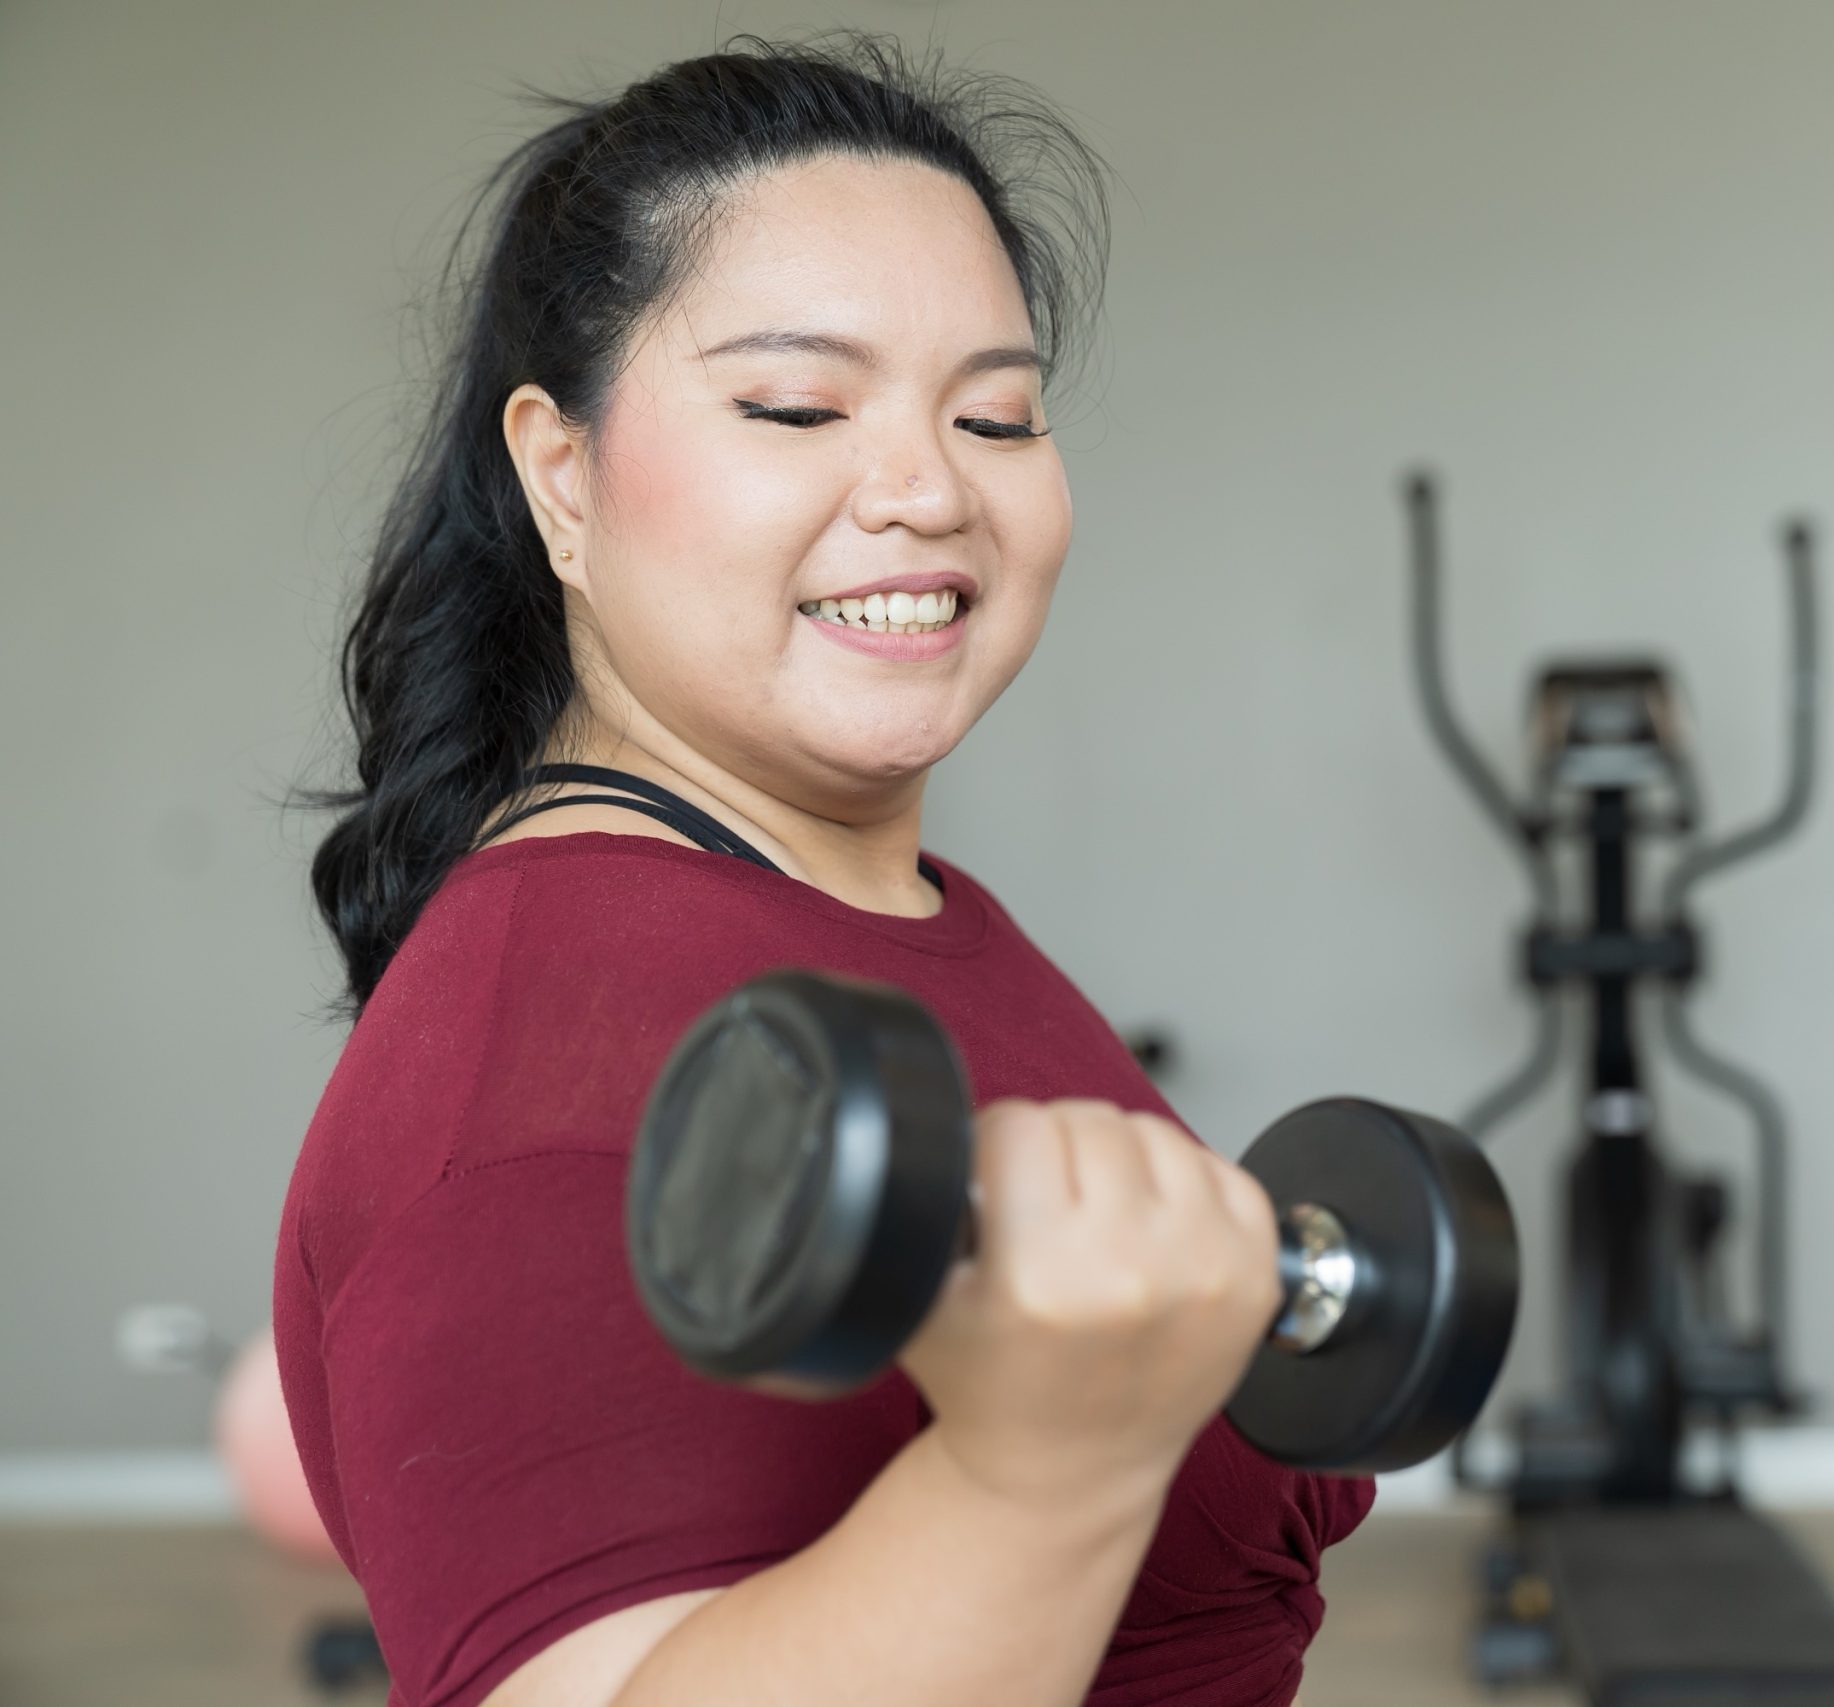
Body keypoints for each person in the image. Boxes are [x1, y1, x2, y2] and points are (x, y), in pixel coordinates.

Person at [275, 33, 1367, 1707]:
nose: (928, 488)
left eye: (995, 414)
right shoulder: (548, 1060)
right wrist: (1042, 1465)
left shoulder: (887, 917)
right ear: (561, 474)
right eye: (796, 405)